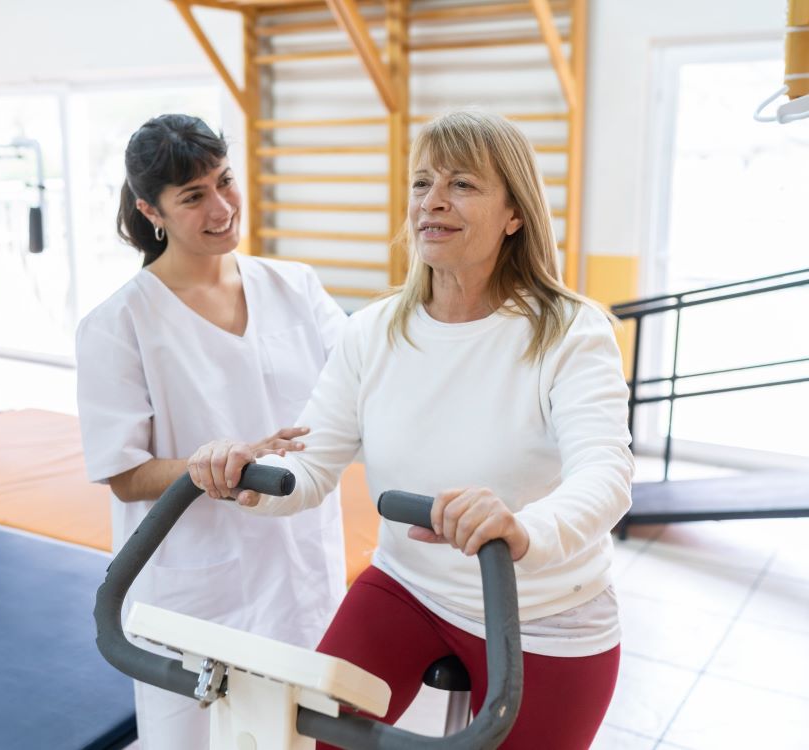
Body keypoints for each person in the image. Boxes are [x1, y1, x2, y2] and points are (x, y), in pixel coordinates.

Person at [188, 109, 634, 750]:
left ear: (515, 214)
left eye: (463, 185)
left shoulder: (568, 330)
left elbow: (606, 472)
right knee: (305, 739)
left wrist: (520, 527)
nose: (433, 202)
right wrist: (246, 478)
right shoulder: (373, 332)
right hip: (410, 586)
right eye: (422, 183)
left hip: (543, 609)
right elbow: (310, 468)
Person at [75, 114, 348, 750]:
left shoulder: (295, 286)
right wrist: (213, 464)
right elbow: (123, 473)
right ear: (152, 210)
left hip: (301, 568)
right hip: (194, 590)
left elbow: (359, 386)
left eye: (225, 182)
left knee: (297, 735)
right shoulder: (118, 323)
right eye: (194, 196)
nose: (222, 207)